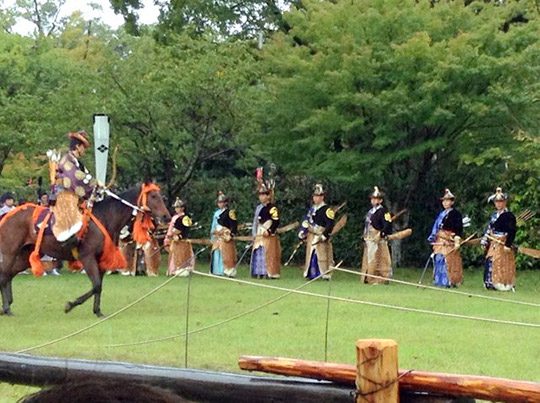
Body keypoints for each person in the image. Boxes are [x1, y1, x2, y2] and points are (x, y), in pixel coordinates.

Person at [52, 131, 98, 244]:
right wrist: (94, 183)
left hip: (75, 196)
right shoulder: (66, 160)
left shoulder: (78, 163)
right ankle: (67, 241)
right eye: (83, 147)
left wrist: (97, 186)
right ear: (77, 146)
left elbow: (85, 175)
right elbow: (76, 177)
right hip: (64, 194)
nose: (84, 150)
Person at [481, 187, 517, 291]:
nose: (498, 204)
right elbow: (489, 228)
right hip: (493, 242)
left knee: (502, 262)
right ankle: (490, 283)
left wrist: (508, 244)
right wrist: (484, 241)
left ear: (505, 202)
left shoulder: (509, 216)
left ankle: (503, 283)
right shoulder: (494, 215)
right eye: (496, 202)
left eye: (500, 201)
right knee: (490, 260)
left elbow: (512, 231)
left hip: (503, 242)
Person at [427, 189, 463, 287]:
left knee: (449, 261)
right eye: (444, 201)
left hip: (449, 241)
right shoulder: (441, 214)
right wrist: (433, 237)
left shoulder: (456, 214)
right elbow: (436, 228)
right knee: (438, 259)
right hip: (440, 240)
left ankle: (450, 281)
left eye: (448, 200)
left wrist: (455, 239)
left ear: (452, 202)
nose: (445, 203)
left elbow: (458, 229)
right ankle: (438, 281)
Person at [298, 184, 335, 280]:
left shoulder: (327, 210)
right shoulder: (312, 209)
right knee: (310, 254)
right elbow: (307, 221)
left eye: (318, 196)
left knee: (322, 255)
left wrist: (324, 235)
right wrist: (302, 231)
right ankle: (310, 273)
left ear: (322, 197)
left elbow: (330, 224)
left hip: (320, 234)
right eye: (314, 196)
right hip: (311, 234)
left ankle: (324, 273)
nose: (316, 198)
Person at [361, 186, 393, 284]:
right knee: (369, 258)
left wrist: (382, 234)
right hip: (369, 237)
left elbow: (387, 224)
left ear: (380, 200)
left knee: (379, 258)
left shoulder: (383, 211)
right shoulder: (370, 212)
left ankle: (380, 278)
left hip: (378, 238)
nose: (374, 201)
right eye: (372, 199)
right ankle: (368, 277)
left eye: (376, 199)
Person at [250, 182, 281, 279]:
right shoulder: (258, 208)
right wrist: (254, 233)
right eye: (260, 195)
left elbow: (276, 221)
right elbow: (255, 221)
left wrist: (270, 230)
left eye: (264, 195)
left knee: (268, 253)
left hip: (268, 233)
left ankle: (269, 272)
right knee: (258, 251)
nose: (261, 197)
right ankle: (259, 272)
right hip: (259, 232)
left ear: (268, 196)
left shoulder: (272, 208)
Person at [210, 191, 238, 277]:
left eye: (222, 202)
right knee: (217, 252)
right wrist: (213, 233)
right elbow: (214, 224)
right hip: (217, 235)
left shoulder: (230, 212)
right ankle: (216, 270)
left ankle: (226, 270)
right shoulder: (216, 213)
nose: (220, 204)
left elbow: (234, 224)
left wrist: (231, 234)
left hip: (225, 234)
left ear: (225, 203)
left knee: (226, 253)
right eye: (219, 202)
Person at [165, 198, 195, 277]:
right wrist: (169, 236)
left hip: (182, 240)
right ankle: (173, 270)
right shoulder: (175, 217)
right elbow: (172, 228)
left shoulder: (185, 218)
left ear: (182, 208)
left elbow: (186, 229)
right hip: (174, 239)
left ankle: (183, 270)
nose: (176, 209)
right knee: (174, 255)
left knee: (183, 254)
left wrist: (180, 235)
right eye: (176, 207)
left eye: (178, 207)